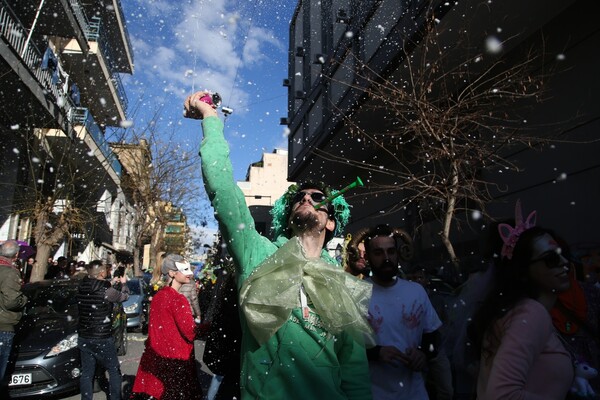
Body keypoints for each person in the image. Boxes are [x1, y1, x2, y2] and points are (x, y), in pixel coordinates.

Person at [184, 91, 374, 399]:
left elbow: (354, 371)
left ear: (330, 221)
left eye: (315, 197)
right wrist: (210, 119)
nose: (306, 198)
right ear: (287, 218)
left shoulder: (341, 283)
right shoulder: (257, 252)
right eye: (299, 197)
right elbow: (223, 190)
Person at [469, 202, 574, 399]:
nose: (564, 263)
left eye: (563, 255)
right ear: (524, 271)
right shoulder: (530, 314)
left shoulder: (518, 311)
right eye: (551, 259)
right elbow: (501, 395)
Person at [363, 224, 442, 400]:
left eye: (391, 251)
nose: (386, 258)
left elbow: (433, 336)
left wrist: (423, 353)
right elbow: (346, 347)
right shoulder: (356, 293)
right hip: (373, 394)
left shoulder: (416, 291)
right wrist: (377, 353)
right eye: (378, 253)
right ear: (368, 257)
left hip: (414, 393)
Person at [130, 254, 203, 400]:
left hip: (157, 359)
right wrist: (208, 326)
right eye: (185, 269)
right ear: (172, 273)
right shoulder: (178, 299)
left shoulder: (158, 296)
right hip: (175, 361)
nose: (190, 273)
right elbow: (190, 332)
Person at [77, 260, 129, 400]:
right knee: (113, 370)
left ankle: (86, 398)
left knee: (87, 373)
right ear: (101, 273)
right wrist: (124, 284)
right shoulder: (107, 291)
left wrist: (110, 282)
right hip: (102, 336)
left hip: (84, 335)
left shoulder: (81, 286)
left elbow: (96, 286)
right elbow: (124, 297)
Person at [0, 240, 28, 389]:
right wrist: (24, 299)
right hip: (3, 326)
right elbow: (12, 301)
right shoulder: (10, 272)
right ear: (16, 255)